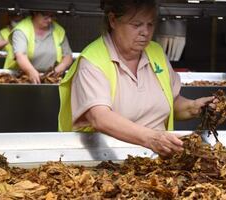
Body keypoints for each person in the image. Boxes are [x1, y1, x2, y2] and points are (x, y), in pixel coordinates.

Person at [58, 0, 214, 156]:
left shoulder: (156, 53)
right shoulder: (92, 61)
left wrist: (194, 107)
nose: (145, 32)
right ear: (113, 20)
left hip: (158, 162)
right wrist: (152, 138)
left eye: (150, 24)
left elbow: (171, 102)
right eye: (136, 25)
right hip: (109, 162)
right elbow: (100, 117)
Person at [6, 11, 73, 84]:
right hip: (20, 79)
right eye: (46, 16)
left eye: (52, 16)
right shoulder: (22, 29)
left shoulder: (58, 30)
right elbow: (20, 55)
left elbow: (68, 56)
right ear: (35, 13)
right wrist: (30, 71)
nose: (50, 20)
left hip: (50, 80)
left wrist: (58, 70)